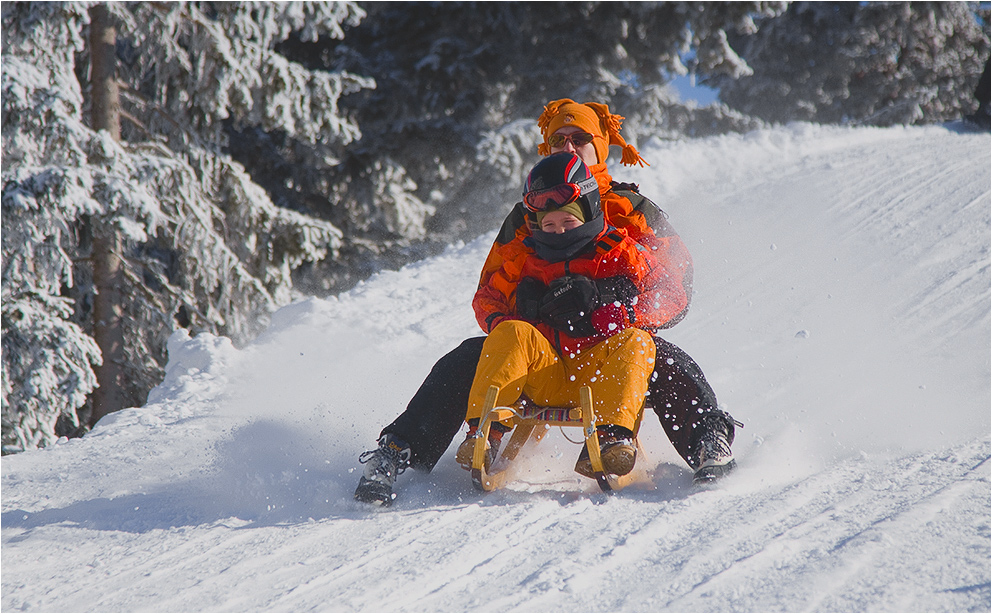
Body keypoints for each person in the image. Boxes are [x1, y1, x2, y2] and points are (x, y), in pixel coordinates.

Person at [355, 99, 740, 506]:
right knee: (473, 355)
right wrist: (524, 313)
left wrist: (618, 303)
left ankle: (707, 441)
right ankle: (399, 450)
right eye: (559, 140)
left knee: (661, 358)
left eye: (579, 139)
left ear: (603, 144)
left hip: (612, 346)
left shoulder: (633, 210)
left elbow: (674, 286)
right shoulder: (528, 213)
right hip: (542, 353)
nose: (568, 148)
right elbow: (491, 291)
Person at [456, 152, 660, 478]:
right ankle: (486, 434)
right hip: (544, 374)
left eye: (568, 222)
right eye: (549, 225)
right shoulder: (527, 259)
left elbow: (667, 291)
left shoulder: (619, 251)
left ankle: (611, 438)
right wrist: (515, 319)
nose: (559, 232)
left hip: (599, 378)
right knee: (511, 333)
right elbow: (487, 298)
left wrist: (625, 311)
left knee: (637, 341)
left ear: (588, 213)